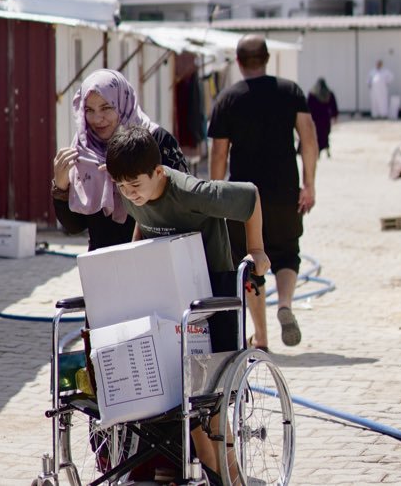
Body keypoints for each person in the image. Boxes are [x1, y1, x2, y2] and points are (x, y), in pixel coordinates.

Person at [105, 124, 269, 482]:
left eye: (135, 185)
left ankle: (232, 476)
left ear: (158, 172)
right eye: (122, 187)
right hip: (169, 288)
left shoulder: (190, 192)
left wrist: (256, 249)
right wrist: (133, 257)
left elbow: (251, 197)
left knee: (211, 399)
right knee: (185, 399)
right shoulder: (133, 192)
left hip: (212, 289)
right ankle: (213, 476)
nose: (129, 194)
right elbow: (143, 221)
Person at [209, 34, 318, 350]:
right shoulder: (290, 91)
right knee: (286, 253)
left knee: (250, 263)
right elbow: (309, 139)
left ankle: (262, 338)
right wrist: (309, 184)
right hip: (285, 189)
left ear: (238, 62)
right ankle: (284, 304)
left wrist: (215, 196)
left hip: (243, 198)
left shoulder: (228, 99)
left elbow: (219, 153)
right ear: (268, 58)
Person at [52, 69, 188, 251]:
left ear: (123, 103)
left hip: (157, 255)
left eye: (106, 108)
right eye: (89, 110)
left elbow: (183, 203)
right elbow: (75, 226)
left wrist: (127, 179)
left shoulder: (157, 141)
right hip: (104, 260)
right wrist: (60, 187)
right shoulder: (83, 151)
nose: (97, 119)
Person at [307, 77, 339, 158]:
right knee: (325, 136)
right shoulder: (329, 94)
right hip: (325, 119)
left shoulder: (312, 94)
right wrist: (335, 116)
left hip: (316, 119)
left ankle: (319, 151)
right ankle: (326, 149)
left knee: (318, 136)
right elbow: (334, 106)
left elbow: (308, 107)